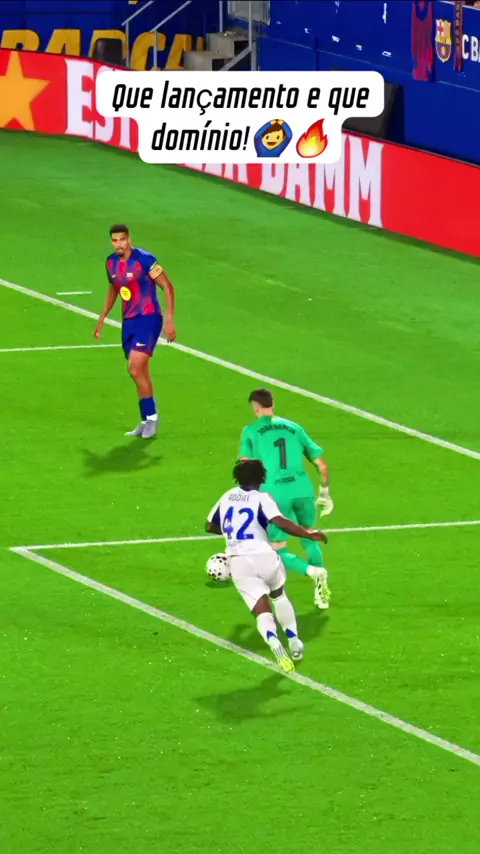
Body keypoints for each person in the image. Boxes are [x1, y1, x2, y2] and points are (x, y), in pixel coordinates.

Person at [206, 459, 328, 672]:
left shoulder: (226, 496)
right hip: (264, 556)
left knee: (262, 611)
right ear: (261, 477)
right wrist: (308, 533)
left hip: (239, 562)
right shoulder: (262, 498)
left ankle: (274, 643)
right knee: (278, 595)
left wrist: (231, 535)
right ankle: (294, 642)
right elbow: (281, 522)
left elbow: (210, 525)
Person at [239, 388, 333, 609]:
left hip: (276, 493)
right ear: (273, 404)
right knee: (310, 535)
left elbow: (245, 465)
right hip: (303, 489)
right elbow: (321, 465)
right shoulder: (294, 427)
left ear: (255, 407)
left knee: (277, 548)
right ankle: (321, 593)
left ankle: (313, 571)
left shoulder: (251, 431)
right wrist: (325, 492)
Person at [94, 224, 176, 439]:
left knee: (135, 368)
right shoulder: (110, 262)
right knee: (140, 373)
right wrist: (102, 317)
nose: (118, 244)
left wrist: (169, 320)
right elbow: (114, 289)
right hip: (129, 322)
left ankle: (152, 419)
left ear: (129, 239)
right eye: (115, 240)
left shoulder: (145, 260)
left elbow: (167, 286)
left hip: (149, 318)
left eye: (122, 239)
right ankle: (145, 419)